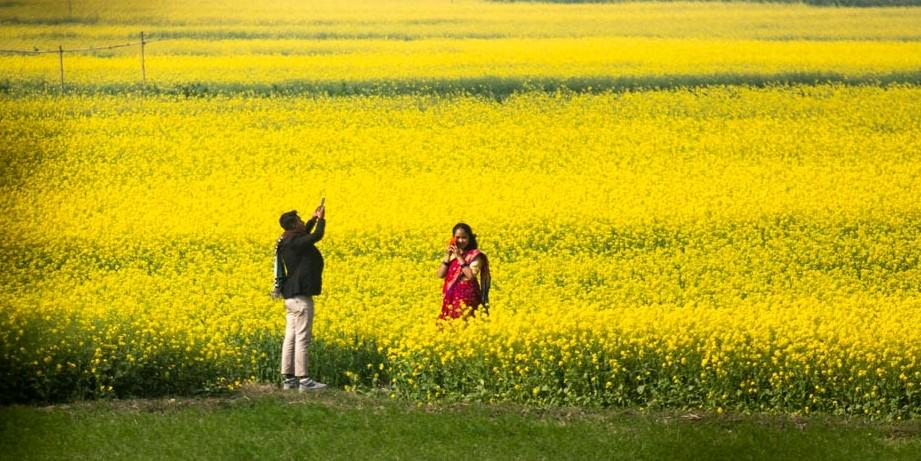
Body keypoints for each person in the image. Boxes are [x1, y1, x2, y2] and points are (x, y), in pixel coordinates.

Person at [275, 206, 327, 391]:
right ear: (294, 225)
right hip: (300, 297)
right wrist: (321, 220)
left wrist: (313, 219)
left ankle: (288, 379)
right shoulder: (295, 241)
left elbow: (306, 234)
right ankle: (304, 380)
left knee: (290, 337)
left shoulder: (286, 240)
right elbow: (315, 236)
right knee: (302, 337)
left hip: (290, 297)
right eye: (300, 220)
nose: (303, 222)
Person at [437, 222, 491, 320]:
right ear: (453, 238)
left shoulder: (475, 255)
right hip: (450, 297)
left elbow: (470, 276)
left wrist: (459, 257)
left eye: (464, 237)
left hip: (468, 298)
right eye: (457, 237)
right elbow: (440, 274)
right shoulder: (451, 255)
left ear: (470, 238)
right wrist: (448, 255)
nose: (461, 240)